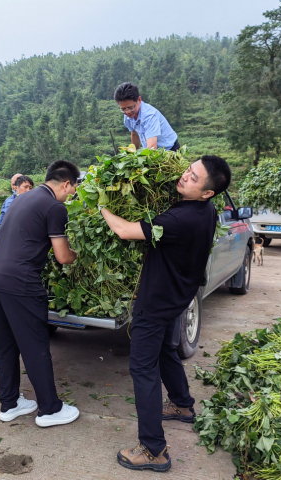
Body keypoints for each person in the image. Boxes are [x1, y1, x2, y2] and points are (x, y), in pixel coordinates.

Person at [101, 155, 231, 472]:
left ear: (207, 193)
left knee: (142, 368)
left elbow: (124, 231)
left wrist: (102, 206)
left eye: (194, 177)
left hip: (156, 301)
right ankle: (183, 406)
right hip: (178, 296)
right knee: (165, 352)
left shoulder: (178, 220)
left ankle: (153, 450)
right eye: (188, 170)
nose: (186, 176)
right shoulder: (205, 211)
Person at [0, 160, 80, 427]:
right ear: (66, 183)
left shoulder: (21, 199)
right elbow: (62, 256)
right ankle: (49, 409)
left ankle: (10, 403)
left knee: (5, 344)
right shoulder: (55, 207)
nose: (72, 195)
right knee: (35, 346)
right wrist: (79, 255)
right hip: (20, 282)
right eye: (73, 188)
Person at [114, 82, 180, 151]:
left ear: (139, 100)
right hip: (151, 149)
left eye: (131, 107)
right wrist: (134, 153)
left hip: (169, 149)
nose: (127, 112)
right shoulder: (128, 115)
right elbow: (134, 133)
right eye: (123, 109)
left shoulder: (149, 116)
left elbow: (152, 148)